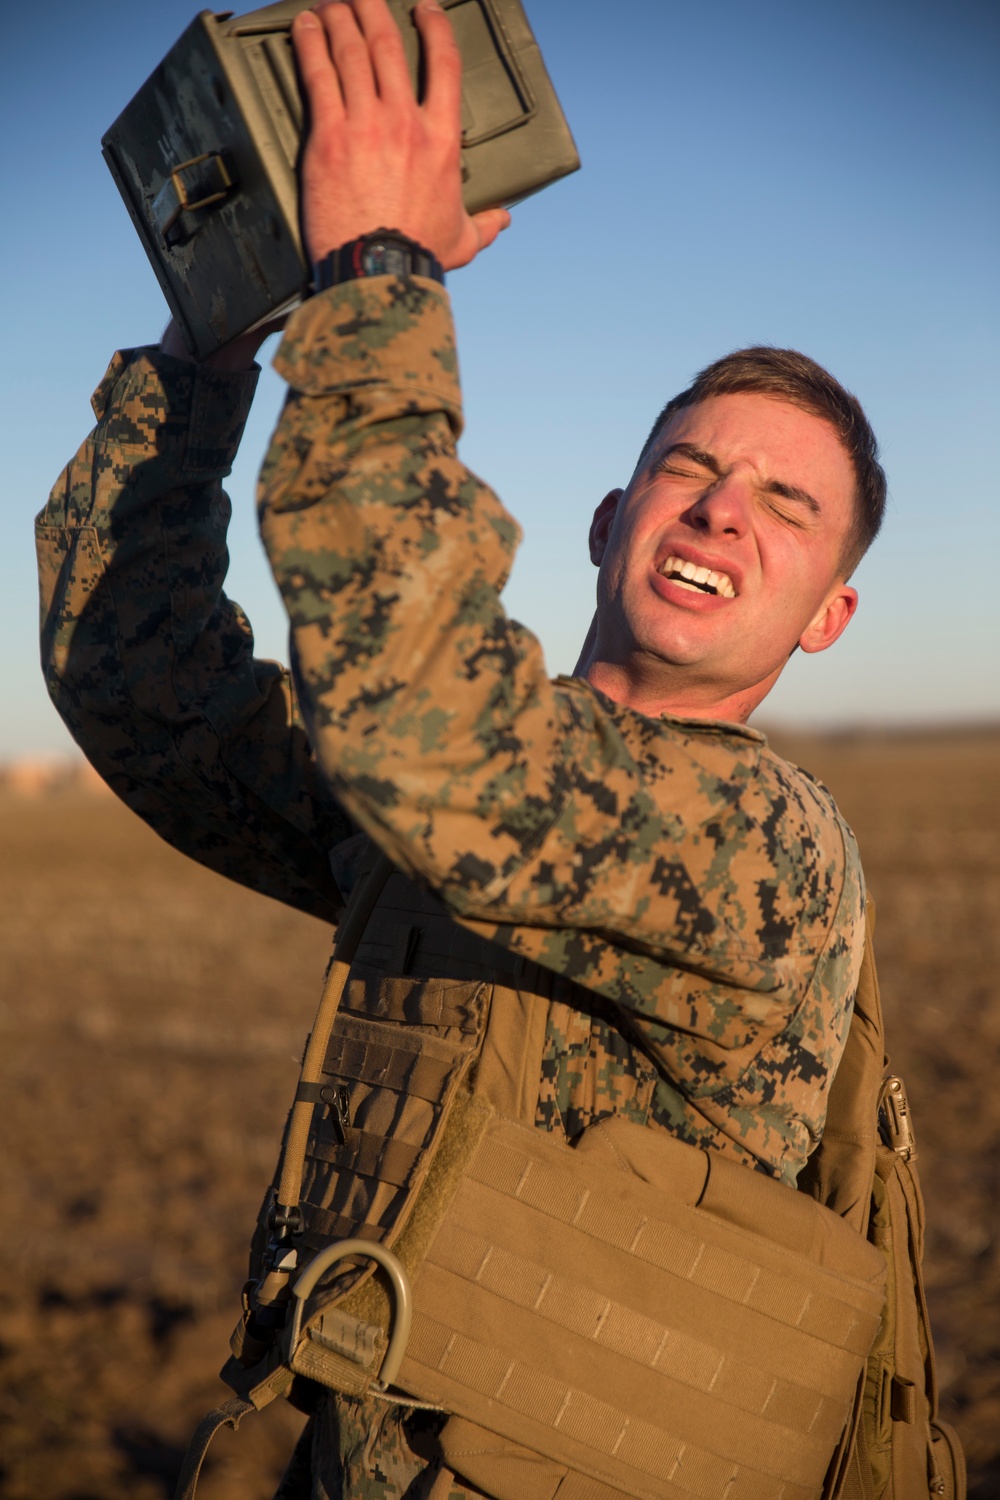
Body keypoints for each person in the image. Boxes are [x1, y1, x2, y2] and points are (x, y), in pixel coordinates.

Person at [36, 1, 887, 1495]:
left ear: (827, 616)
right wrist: (215, 335)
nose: (720, 510)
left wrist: (378, 275)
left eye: (784, 505)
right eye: (686, 470)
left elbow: (445, 739)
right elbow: (140, 682)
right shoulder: (439, 788)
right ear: (610, 527)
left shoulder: (767, 851)